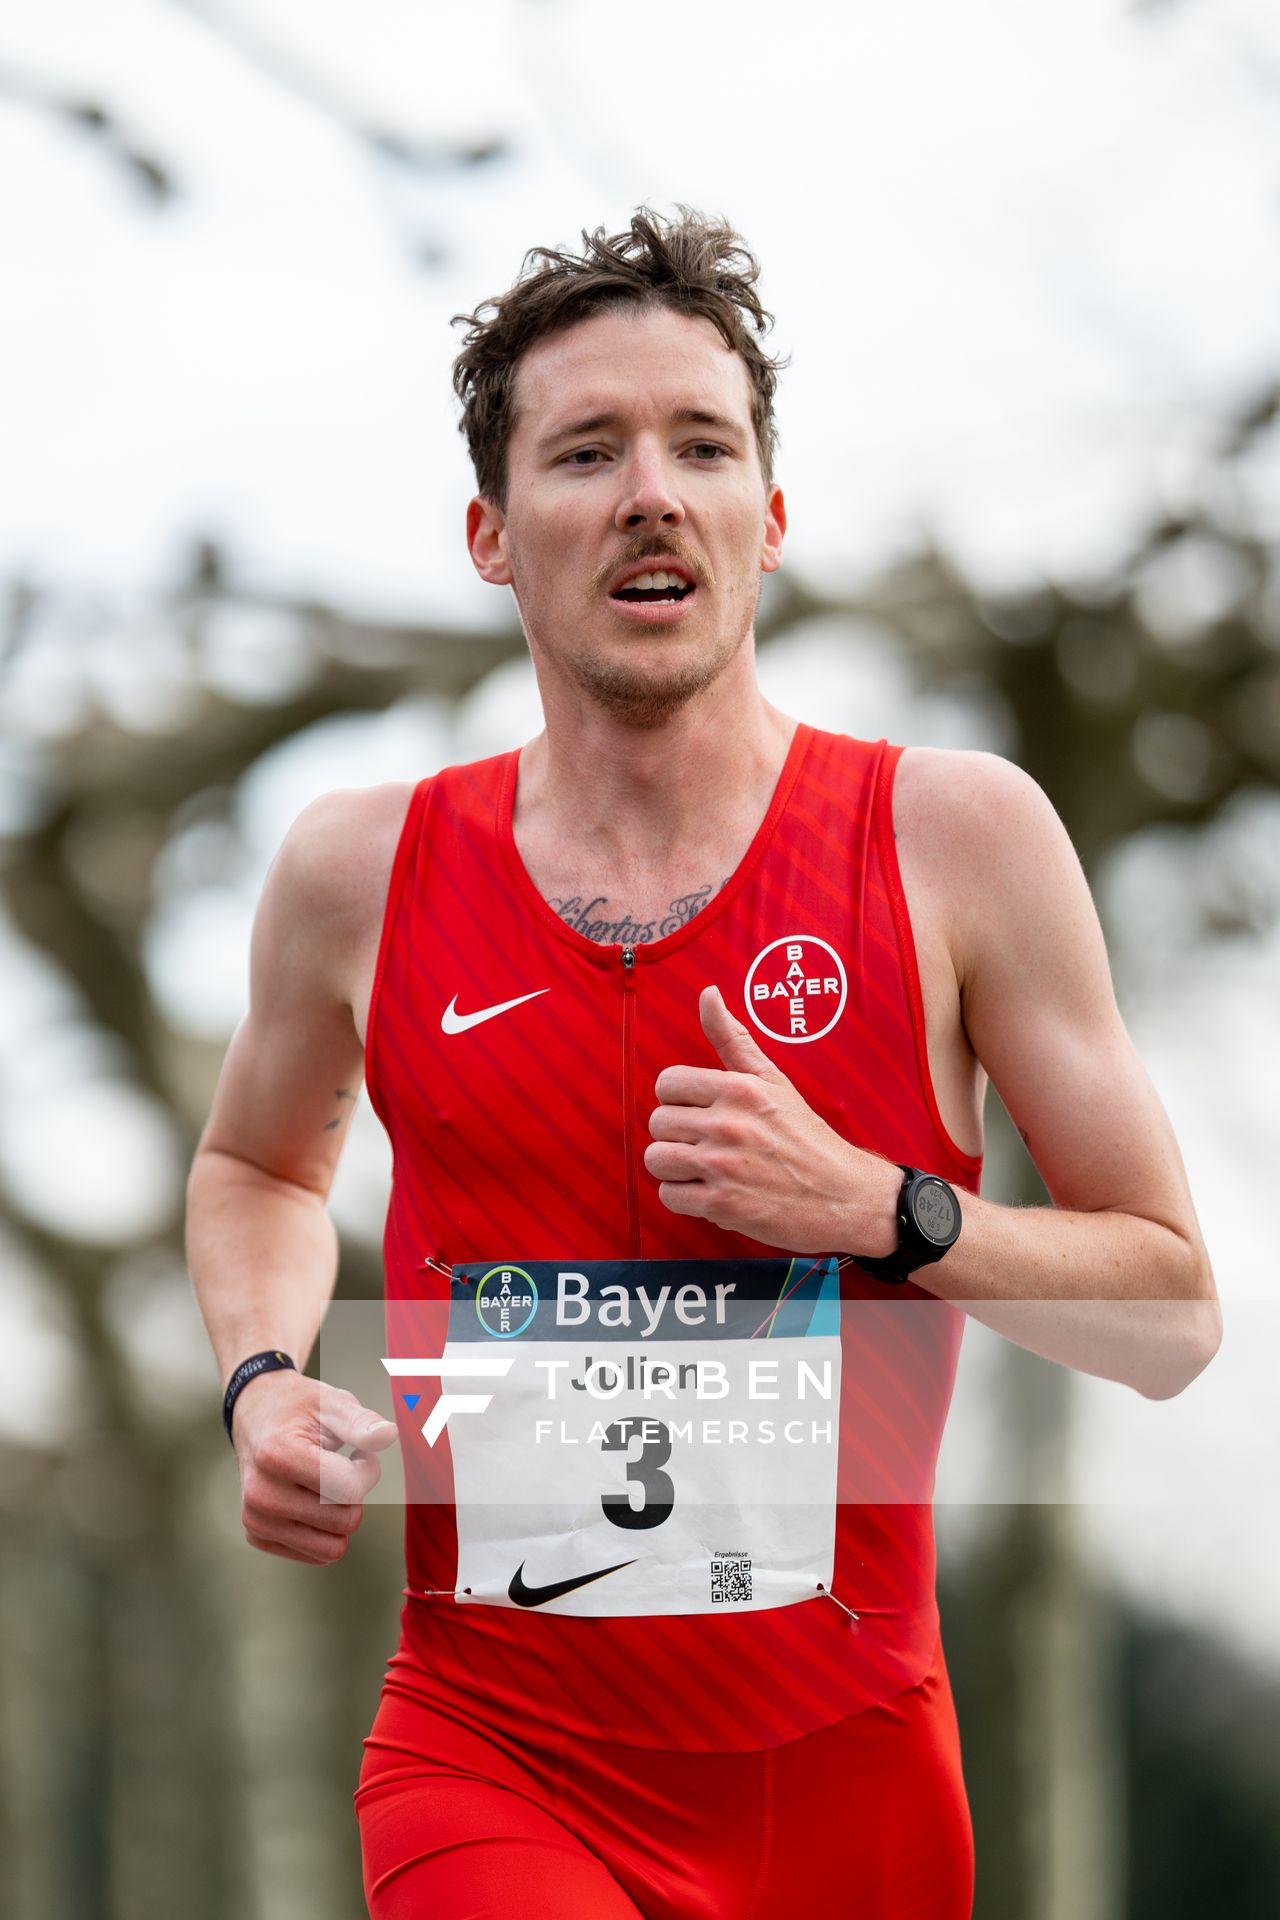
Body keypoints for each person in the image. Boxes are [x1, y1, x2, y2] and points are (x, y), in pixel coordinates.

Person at [186, 208, 1222, 1920]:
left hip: (850, 1768)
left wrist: (888, 1208)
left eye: (702, 446)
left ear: (772, 521)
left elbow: (1174, 1313)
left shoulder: (954, 839)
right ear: (492, 536)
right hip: (488, 1752)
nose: (650, 491)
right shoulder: (358, 873)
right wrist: (261, 1378)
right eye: (585, 450)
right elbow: (259, 1168)